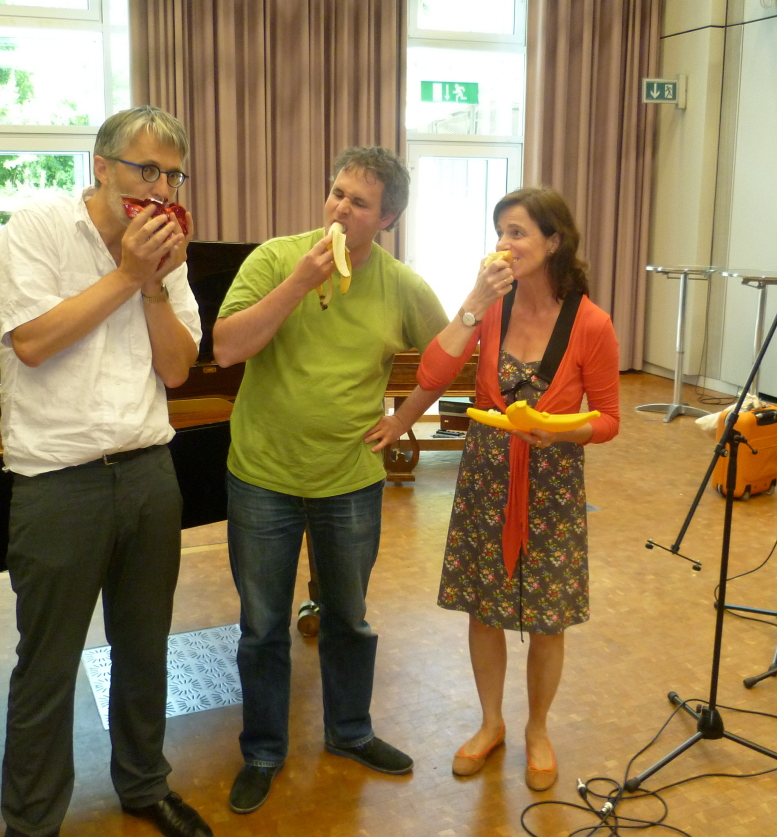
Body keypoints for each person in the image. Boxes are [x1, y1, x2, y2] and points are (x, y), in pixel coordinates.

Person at [213, 146, 449, 814]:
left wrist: (404, 418)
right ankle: (263, 750)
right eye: (337, 193)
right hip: (262, 474)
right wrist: (298, 282)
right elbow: (227, 348)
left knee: (348, 618)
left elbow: (449, 356)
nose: (341, 209)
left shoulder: (400, 284)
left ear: (388, 218)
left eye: (359, 202)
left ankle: (350, 731)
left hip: (349, 478)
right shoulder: (275, 258)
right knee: (262, 626)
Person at [0, 107, 212, 837]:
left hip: (149, 474)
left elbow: (177, 368)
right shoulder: (36, 228)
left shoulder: (164, 257)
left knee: (146, 648)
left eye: (173, 175)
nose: (160, 189)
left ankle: (145, 785)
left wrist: (153, 284)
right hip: (58, 483)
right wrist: (127, 274)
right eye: (145, 170)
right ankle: (31, 821)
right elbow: (32, 342)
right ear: (100, 165)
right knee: (48, 664)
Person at [416, 187, 620, 791]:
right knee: (484, 610)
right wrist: (473, 304)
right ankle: (490, 723)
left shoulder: (591, 323)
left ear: (553, 242)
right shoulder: (492, 308)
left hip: (553, 484)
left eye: (517, 232)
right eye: (500, 231)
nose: (503, 244)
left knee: (548, 618)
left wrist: (559, 430)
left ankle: (537, 729)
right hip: (486, 477)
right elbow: (433, 372)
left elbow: (609, 419)